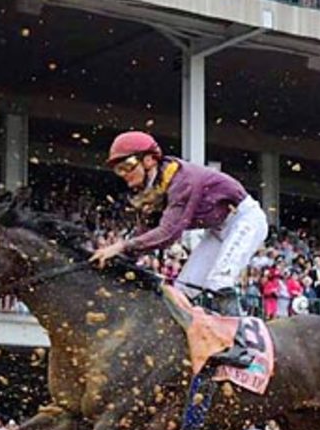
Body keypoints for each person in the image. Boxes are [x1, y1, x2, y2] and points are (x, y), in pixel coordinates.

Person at [90, 131, 269, 315]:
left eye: (127, 166)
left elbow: (168, 233)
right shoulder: (152, 187)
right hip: (216, 230)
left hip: (245, 220)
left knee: (219, 283)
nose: (124, 174)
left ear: (149, 160)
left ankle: (240, 340)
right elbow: (144, 234)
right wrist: (115, 261)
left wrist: (120, 247)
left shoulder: (182, 181)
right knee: (181, 294)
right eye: (118, 169)